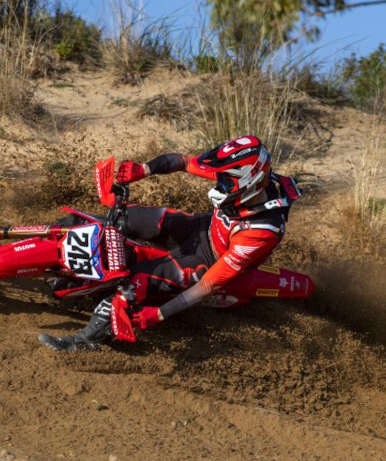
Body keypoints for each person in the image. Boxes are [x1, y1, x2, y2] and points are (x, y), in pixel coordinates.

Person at [38, 135, 301, 351]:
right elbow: (184, 162)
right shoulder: (236, 175)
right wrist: (144, 169)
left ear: (251, 184)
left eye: (225, 180)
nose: (219, 182)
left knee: (136, 283)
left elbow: (208, 283)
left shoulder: (262, 232)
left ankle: (83, 342)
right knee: (123, 217)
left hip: (205, 262)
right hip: (198, 227)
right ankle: (44, 240)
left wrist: (159, 314)